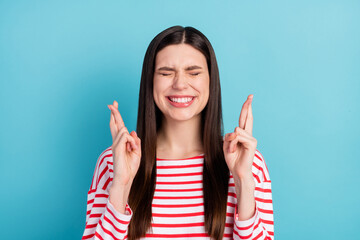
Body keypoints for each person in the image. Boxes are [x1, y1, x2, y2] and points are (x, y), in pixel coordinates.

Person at [82, 25, 274, 240]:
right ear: (150, 81)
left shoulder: (248, 162)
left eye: (194, 73)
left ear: (211, 81)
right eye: (166, 73)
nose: (180, 84)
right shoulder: (114, 161)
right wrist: (121, 185)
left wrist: (243, 180)